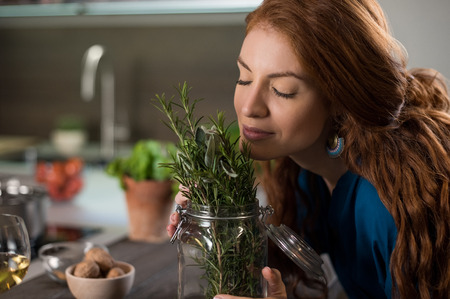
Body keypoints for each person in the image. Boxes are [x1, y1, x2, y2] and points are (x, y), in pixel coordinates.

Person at [167, 0, 450, 298]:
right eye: (244, 77)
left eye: (283, 90)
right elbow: (283, 269)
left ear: (340, 99)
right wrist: (216, 221)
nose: (249, 106)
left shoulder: (384, 203)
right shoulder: (306, 171)